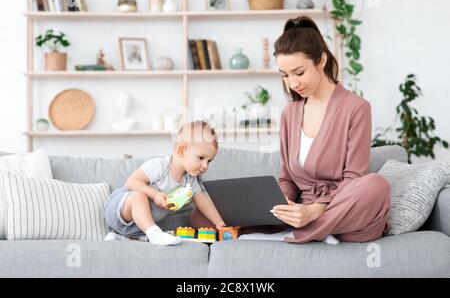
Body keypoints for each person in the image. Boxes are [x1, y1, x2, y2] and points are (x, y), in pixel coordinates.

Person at [191, 16, 391, 244]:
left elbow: (355, 177)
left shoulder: (356, 108)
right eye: (285, 75)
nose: (292, 83)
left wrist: (316, 211)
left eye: (299, 72)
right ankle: (307, 230)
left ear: (322, 60)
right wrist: (281, 201)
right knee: (203, 215)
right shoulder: (290, 113)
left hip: (337, 208)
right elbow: (287, 177)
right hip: (298, 211)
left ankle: (298, 233)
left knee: (376, 186)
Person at [104, 121, 225, 245]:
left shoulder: (190, 179)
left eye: (209, 161)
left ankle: (120, 237)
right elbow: (132, 182)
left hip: (139, 227)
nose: (205, 166)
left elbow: (202, 200)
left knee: (159, 229)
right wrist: (155, 194)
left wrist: (219, 222)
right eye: (201, 158)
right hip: (119, 211)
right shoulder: (160, 166)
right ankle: (155, 235)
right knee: (138, 197)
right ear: (181, 151)